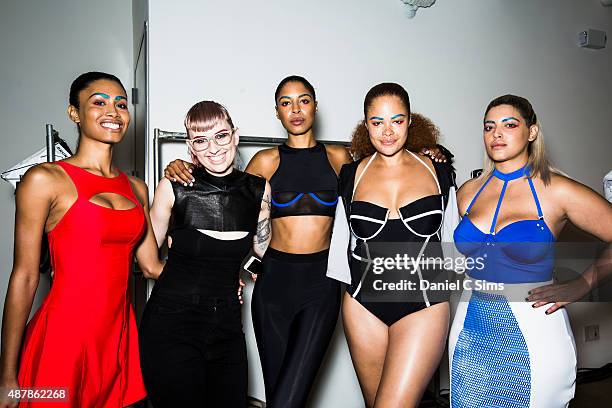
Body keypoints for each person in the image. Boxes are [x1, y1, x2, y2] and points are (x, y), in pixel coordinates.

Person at [164, 75, 449, 407]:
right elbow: (225, 203)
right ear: (277, 112)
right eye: (286, 102)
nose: (296, 109)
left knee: (290, 397)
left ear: (315, 106)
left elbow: (388, 166)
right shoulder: (265, 162)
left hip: (321, 285)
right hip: (273, 286)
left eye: (303, 100)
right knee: (279, 397)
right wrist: (187, 166)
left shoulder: (342, 160)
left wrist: (430, 151)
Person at [0, 72, 164, 408]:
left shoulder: (136, 188)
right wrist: (7, 376)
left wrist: (217, 274)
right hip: (64, 339)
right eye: (99, 102)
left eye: (121, 104)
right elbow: (26, 276)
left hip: (118, 338)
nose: (113, 111)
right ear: (74, 113)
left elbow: (152, 266)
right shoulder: (45, 179)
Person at [449, 94, 612, 407]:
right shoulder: (468, 192)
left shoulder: (558, 190)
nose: (496, 133)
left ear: (532, 131)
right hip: (471, 326)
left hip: (534, 329)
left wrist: (584, 283)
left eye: (509, 124)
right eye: (489, 126)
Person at [327, 83, 456, 407]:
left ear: (410, 121)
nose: (387, 132)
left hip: (423, 305)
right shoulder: (351, 174)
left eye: (396, 121)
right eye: (377, 122)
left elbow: (455, 245)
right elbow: (341, 248)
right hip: (362, 306)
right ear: (365, 123)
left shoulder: (437, 169)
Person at [138, 101, 271, 407]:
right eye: (201, 140)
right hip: (172, 322)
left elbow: (261, 255)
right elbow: (146, 263)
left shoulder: (258, 190)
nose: (213, 148)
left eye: (221, 136)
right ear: (191, 147)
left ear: (235, 136)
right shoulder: (173, 187)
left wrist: (241, 277)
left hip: (227, 322)